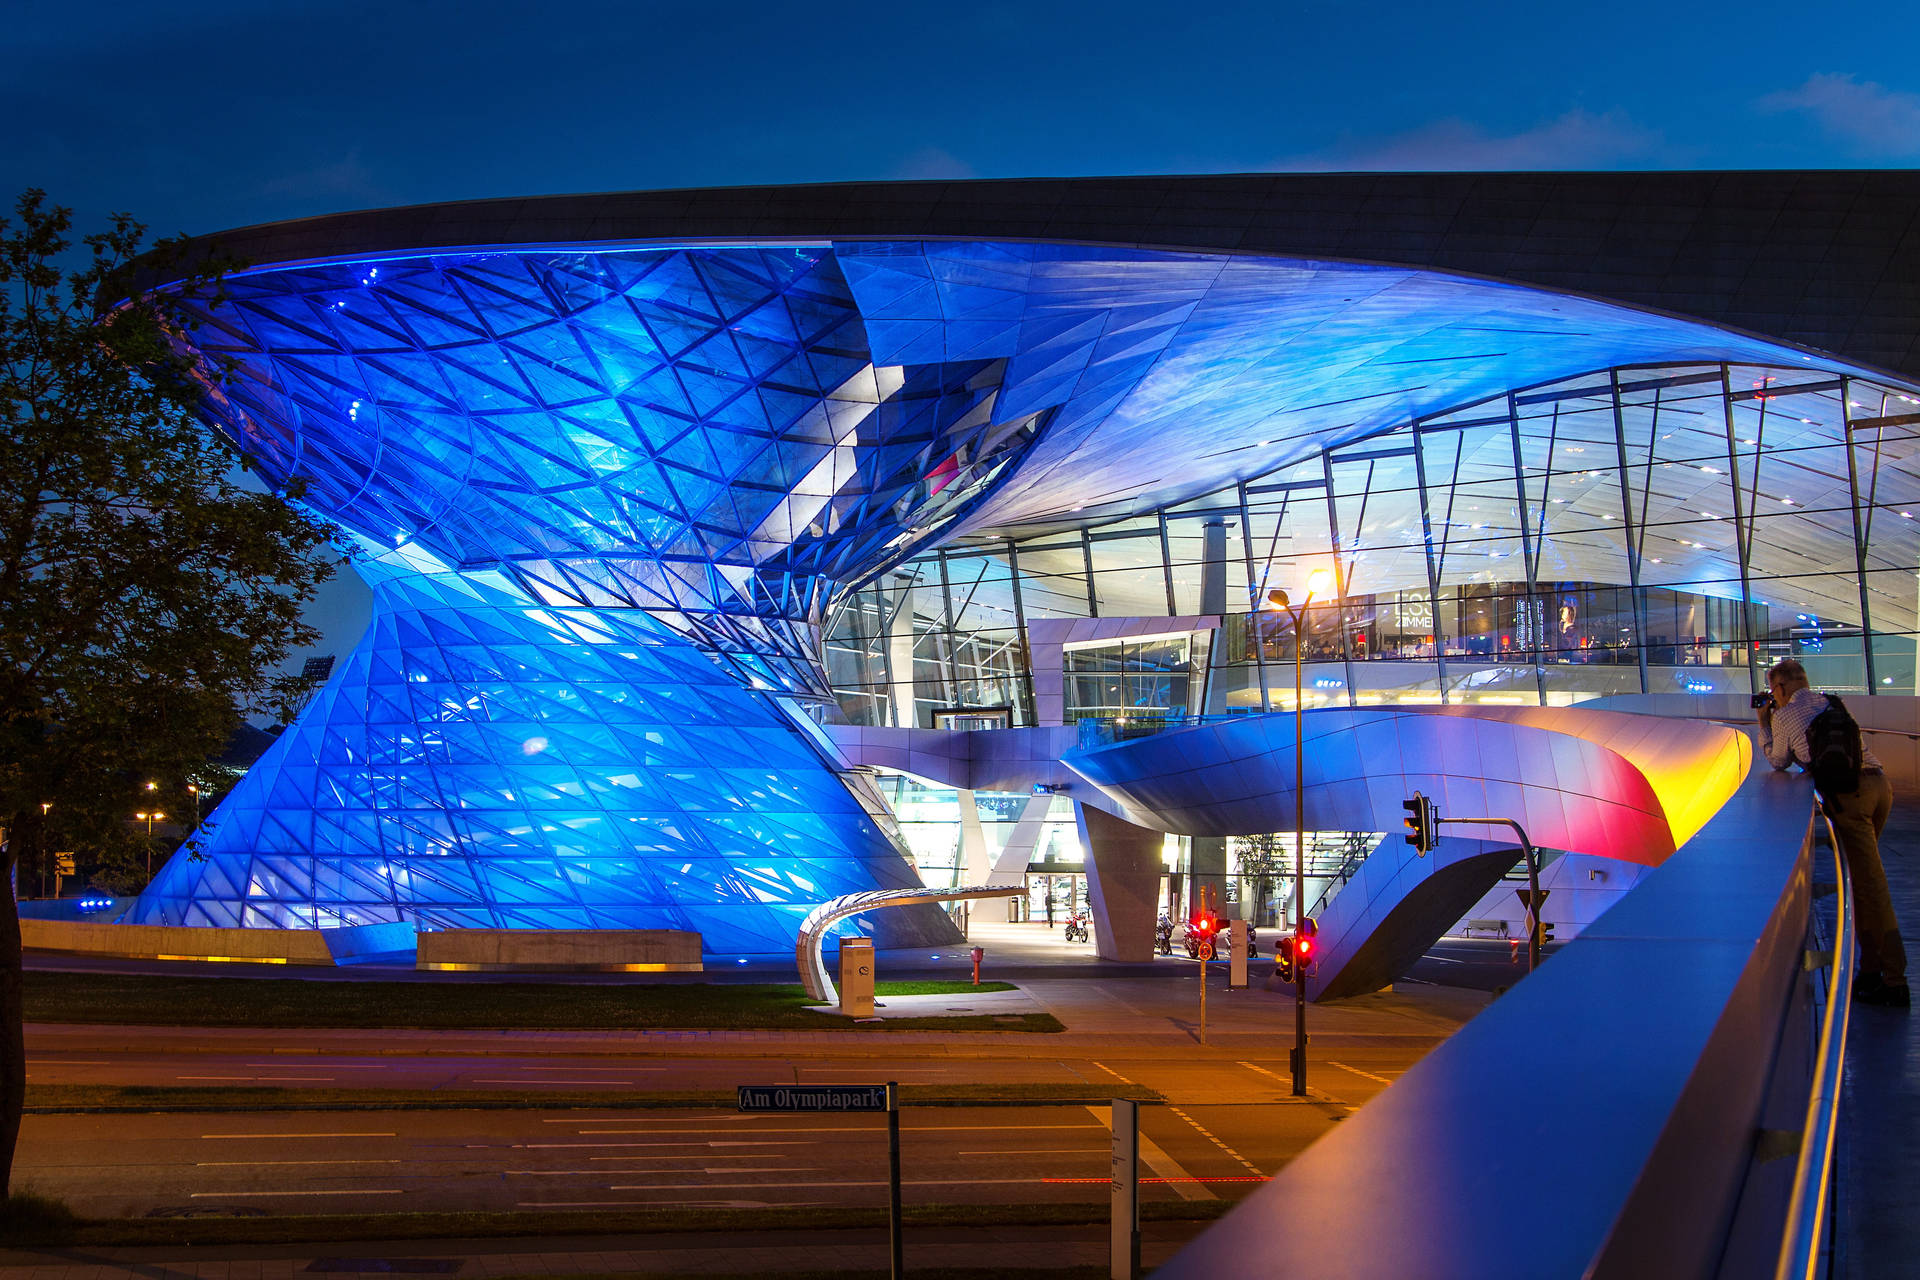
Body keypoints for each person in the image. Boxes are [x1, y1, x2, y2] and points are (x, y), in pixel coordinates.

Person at [1758, 658, 1909, 1008]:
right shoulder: (1831, 702)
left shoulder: (1784, 715)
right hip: (1880, 787)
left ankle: (1894, 980)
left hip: (1851, 799)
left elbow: (1778, 760)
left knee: (1872, 889)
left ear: (1779, 688)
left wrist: (1765, 725)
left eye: (1773, 690)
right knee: (1862, 883)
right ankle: (1871, 971)